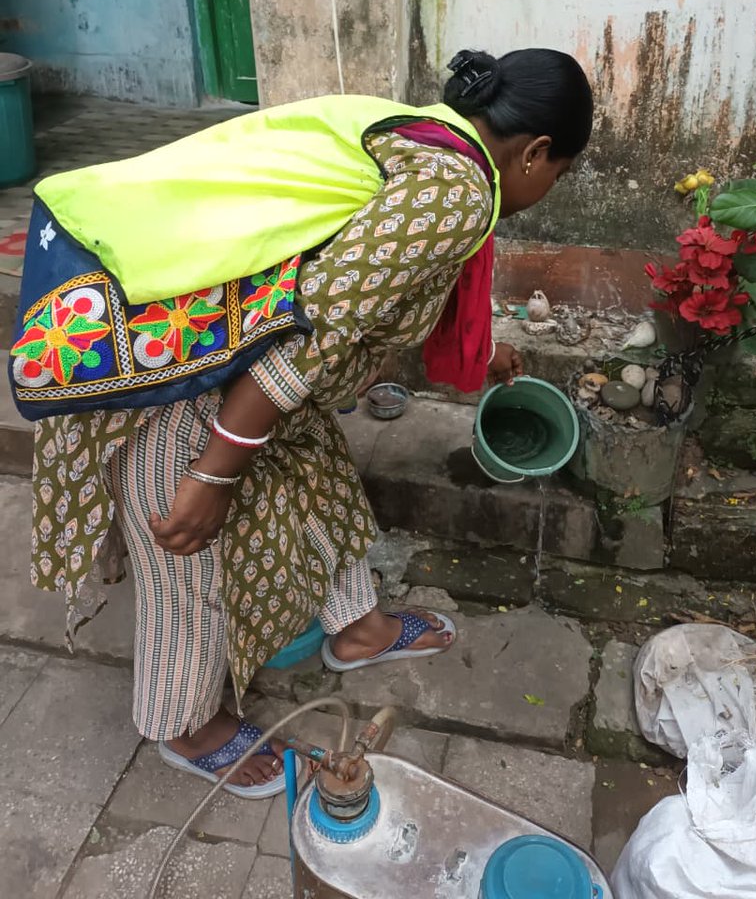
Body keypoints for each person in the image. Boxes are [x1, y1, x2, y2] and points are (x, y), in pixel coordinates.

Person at [11, 48, 593, 798]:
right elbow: (312, 327)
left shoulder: (425, 136)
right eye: (560, 174)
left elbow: (372, 303)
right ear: (536, 153)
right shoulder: (456, 192)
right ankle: (182, 724)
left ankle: (358, 629)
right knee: (187, 561)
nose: (548, 189)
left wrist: (483, 353)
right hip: (181, 371)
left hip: (220, 340)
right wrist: (214, 473)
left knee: (318, 482)